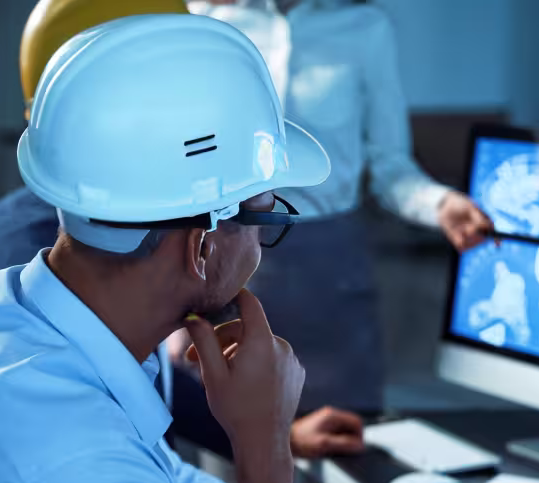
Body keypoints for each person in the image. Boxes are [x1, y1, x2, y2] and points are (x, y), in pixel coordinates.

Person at [0, 13, 457, 483]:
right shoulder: (75, 470)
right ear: (204, 244)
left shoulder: (3, 311)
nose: (261, 246)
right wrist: (265, 455)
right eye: (269, 217)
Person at [0, 0, 369, 462]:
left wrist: (272, 435)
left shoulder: (80, 270)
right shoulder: (72, 429)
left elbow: (168, 459)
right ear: (202, 244)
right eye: (262, 216)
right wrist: (266, 444)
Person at [173, 0, 494, 416]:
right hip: (224, 264)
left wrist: (442, 204)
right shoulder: (204, 21)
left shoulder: (366, 29)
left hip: (332, 279)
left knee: (344, 453)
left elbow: (390, 166)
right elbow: (182, 163)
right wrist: (180, 299)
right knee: (232, 450)